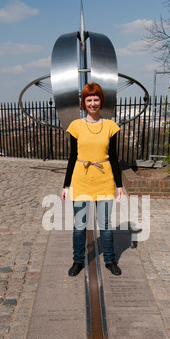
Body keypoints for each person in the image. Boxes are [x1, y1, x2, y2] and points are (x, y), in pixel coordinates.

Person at [61, 82, 124, 277]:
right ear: (84, 102)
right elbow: (72, 157)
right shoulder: (76, 126)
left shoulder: (110, 126)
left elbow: (113, 157)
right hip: (81, 179)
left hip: (104, 180)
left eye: (96, 99)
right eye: (89, 99)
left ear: (101, 101)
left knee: (105, 224)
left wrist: (119, 185)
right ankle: (78, 260)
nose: (93, 103)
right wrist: (66, 185)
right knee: (80, 225)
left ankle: (110, 260)